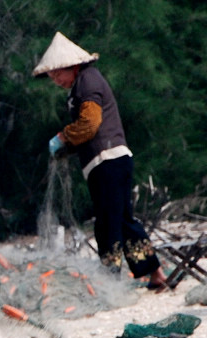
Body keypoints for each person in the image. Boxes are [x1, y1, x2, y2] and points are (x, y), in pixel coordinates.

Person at [33, 32, 168, 290]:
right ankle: (155, 274)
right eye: (51, 77)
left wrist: (63, 137)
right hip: (111, 161)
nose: (55, 80)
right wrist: (68, 146)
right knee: (123, 220)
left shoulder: (87, 81)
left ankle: (109, 280)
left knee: (108, 223)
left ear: (71, 66)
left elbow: (90, 124)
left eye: (57, 74)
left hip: (108, 161)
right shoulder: (82, 84)